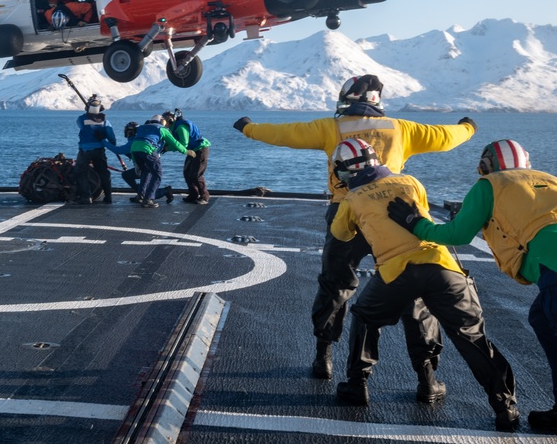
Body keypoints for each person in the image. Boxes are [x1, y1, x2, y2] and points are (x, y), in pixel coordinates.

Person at [232, 74, 477, 380]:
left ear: (345, 100)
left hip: (347, 208)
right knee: (413, 289)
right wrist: (468, 127)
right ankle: (426, 376)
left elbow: (284, 133)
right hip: (398, 214)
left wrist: (248, 128)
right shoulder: (402, 129)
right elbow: (446, 136)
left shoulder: (330, 128)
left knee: (335, 283)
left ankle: (324, 357)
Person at [331, 139, 519, 431]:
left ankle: (358, 385)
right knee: (471, 337)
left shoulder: (351, 200)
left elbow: (341, 234)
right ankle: (501, 406)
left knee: (365, 317)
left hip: (395, 272)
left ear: (344, 170)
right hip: (442, 266)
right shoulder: (410, 181)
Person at [388, 139, 557, 434]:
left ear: (486, 165)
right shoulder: (551, 180)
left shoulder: (490, 184)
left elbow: (457, 233)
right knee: (541, 318)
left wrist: (414, 222)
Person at [129, 114, 193, 208]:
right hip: (148, 150)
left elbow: (137, 140)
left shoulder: (141, 127)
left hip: (134, 151)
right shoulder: (161, 129)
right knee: (157, 174)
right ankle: (148, 199)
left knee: (146, 172)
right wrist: (186, 151)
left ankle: (140, 195)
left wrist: (135, 161)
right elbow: (175, 143)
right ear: (162, 121)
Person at [105, 121, 174, 203]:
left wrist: (103, 141)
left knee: (137, 181)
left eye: (131, 131)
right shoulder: (140, 139)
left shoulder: (134, 142)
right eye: (128, 130)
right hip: (145, 167)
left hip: (146, 169)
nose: (129, 133)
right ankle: (141, 194)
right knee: (126, 175)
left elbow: (118, 150)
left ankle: (164, 191)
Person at [71, 95, 116, 205]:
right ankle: (108, 196)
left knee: (81, 172)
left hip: (85, 150)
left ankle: (86, 197)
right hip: (100, 150)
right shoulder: (105, 121)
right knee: (103, 172)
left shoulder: (81, 119)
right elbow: (111, 137)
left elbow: (81, 125)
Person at [163, 109, 211, 204]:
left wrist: (167, 148)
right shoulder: (173, 127)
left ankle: (204, 197)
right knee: (187, 172)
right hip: (192, 150)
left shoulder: (181, 127)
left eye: (165, 119)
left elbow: (183, 144)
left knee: (196, 174)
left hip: (200, 149)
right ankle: (193, 195)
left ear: (171, 120)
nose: (163, 122)